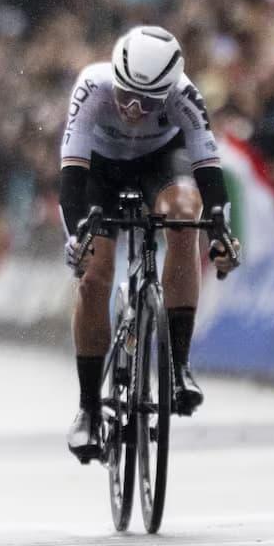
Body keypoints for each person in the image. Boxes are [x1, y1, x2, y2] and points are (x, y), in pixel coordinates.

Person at [60, 25, 241, 462]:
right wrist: (76, 237)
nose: (134, 109)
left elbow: (210, 177)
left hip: (160, 163)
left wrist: (221, 233)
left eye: (148, 100)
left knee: (185, 216)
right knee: (94, 275)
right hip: (99, 172)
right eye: (126, 96)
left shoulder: (186, 96)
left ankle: (178, 368)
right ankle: (87, 407)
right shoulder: (92, 86)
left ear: (170, 90)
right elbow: (72, 179)